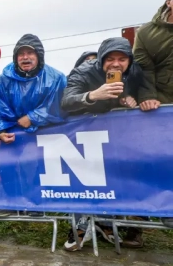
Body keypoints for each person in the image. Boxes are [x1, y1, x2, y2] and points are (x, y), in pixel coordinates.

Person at [60, 37, 147, 249]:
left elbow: (146, 89)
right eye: (110, 59)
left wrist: (130, 100)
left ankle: (108, 224)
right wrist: (92, 95)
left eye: (121, 59)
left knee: (117, 178)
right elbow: (66, 101)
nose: (116, 64)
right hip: (87, 132)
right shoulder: (84, 71)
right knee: (85, 179)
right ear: (101, 60)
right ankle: (80, 226)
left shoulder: (136, 71)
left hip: (120, 134)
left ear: (129, 60)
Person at [0, 35, 67, 216]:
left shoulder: (56, 78)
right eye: (21, 54)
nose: (25, 57)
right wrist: (0, 130)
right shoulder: (4, 79)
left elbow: (61, 105)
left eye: (30, 53)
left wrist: (33, 117)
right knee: (5, 164)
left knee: (37, 166)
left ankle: (36, 203)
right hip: (12, 130)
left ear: (39, 55)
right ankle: (12, 203)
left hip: (45, 131)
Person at [133, 0, 173, 112]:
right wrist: (147, 97)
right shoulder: (146, 33)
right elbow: (143, 68)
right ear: (168, 2)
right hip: (163, 105)